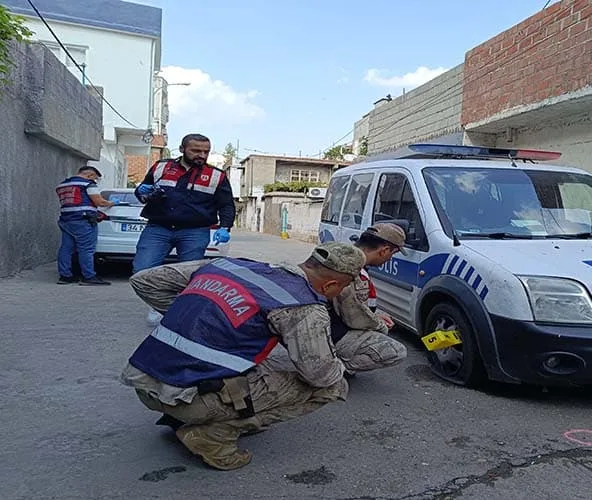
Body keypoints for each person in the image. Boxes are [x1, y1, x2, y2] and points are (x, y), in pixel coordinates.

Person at [120, 241, 366, 471]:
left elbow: (145, 280)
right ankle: (212, 434)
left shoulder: (229, 265)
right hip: (188, 400)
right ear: (332, 285)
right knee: (333, 386)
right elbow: (320, 375)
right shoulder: (304, 307)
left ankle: (183, 417)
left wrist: (205, 317)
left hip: (144, 383)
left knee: (264, 360)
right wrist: (341, 364)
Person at [132, 133, 236, 323]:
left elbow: (226, 205)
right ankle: (158, 306)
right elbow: (143, 192)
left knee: (188, 275)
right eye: (196, 150)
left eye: (206, 152)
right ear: (182, 149)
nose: (201, 155)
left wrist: (225, 227)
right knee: (142, 270)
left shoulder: (216, 176)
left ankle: (178, 311)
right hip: (158, 228)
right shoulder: (161, 167)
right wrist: (141, 192)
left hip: (194, 232)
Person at [329, 223, 409, 375]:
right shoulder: (353, 270)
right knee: (396, 351)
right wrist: (379, 325)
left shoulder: (346, 256)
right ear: (384, 250)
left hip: (326, 325)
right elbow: (354, 317)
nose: (390, 259)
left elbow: (355, 303)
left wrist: (375, 314)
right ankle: (333, 369)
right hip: (331, 331)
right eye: (392, 254)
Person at [55, 165, 117, 285]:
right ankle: (88, 277)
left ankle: (65, 276)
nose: (94, 181)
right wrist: (112, 203)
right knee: (87, 249)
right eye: (95, 179)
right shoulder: (88, 184)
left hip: (66, 220)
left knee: (66, 248)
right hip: (83, 220)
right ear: (90, 175)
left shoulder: (63, 185)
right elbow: (100, 202)